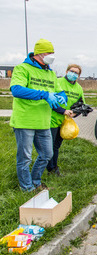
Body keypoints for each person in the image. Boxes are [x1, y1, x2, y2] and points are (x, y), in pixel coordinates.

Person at [9, 38, 66, 192]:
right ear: (39, 54)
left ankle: (35, 181)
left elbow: (59, 90)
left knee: (47, 154)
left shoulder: (50, 73)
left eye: (53, 53)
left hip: (43, 122)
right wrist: (44, 94)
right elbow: (16, 90)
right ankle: (26, 187)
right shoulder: (22, 69)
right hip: (25, 121)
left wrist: (62, 97)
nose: (51, 57)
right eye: (49, 53)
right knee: (25, 157)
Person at [47, 64, 85, 176]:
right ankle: (50, 168)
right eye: (71, 71)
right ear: (67, 71)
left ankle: (54, 167)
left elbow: (81, 104)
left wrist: (75, 113)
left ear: (78, 75)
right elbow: (50, 99)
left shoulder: (78, 88)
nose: (73, 74)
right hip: (52, 119)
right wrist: (62, 110)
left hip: (65, 122)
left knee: (56, 146)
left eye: (76, 73)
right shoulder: (58, 82)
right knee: (50, 146)